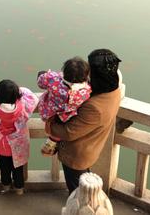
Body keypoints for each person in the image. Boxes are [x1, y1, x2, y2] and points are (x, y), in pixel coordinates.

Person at [46, 49, 123, 194]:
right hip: (91, 148)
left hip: (77, 154)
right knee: (84, 183)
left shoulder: (94, 107)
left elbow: (68, 133)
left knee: (78, 192)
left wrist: (49, 123)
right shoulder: (114, 89)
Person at [0, 80, 38, 195]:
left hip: (1, 145)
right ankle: (19, 189)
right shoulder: (24, 106)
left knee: (4, 167)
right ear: (16, 95)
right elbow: (32, 97)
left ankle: (5, 186)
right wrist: (17, 90)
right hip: (18, 146)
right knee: (18, 169)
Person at [36, 57, 91, 156]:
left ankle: (51, 144)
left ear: (64, 73)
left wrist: (44, 75)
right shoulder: (86, 91)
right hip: (68, 118)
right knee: (60, 125)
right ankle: (53, 141)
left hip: (50, 114)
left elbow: (41, 82)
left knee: (41, 73)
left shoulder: (54, 80)